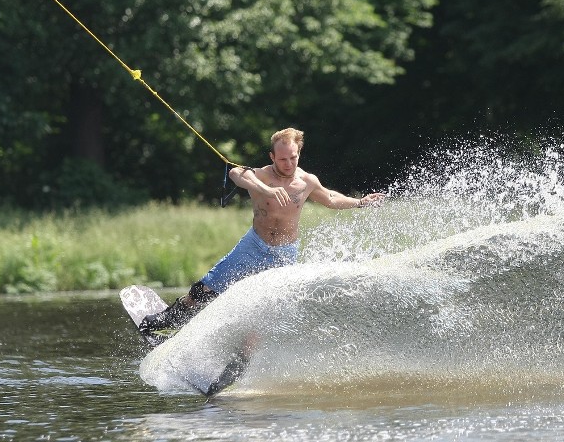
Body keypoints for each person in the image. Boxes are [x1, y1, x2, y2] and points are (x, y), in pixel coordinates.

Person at [139, 127, 384, 344]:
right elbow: (236, 174)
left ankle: (240, 362)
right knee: (203, 291)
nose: (288, 164)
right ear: (272, 157)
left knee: (261, 312)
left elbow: (330, 198)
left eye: (293, 157)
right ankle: (164, 321)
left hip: (284, 255)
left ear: (299, 153)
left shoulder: (307, 181)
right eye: (282, 159)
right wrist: (266, 188)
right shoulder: (261, 175)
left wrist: (360, 202)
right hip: (253, 246)